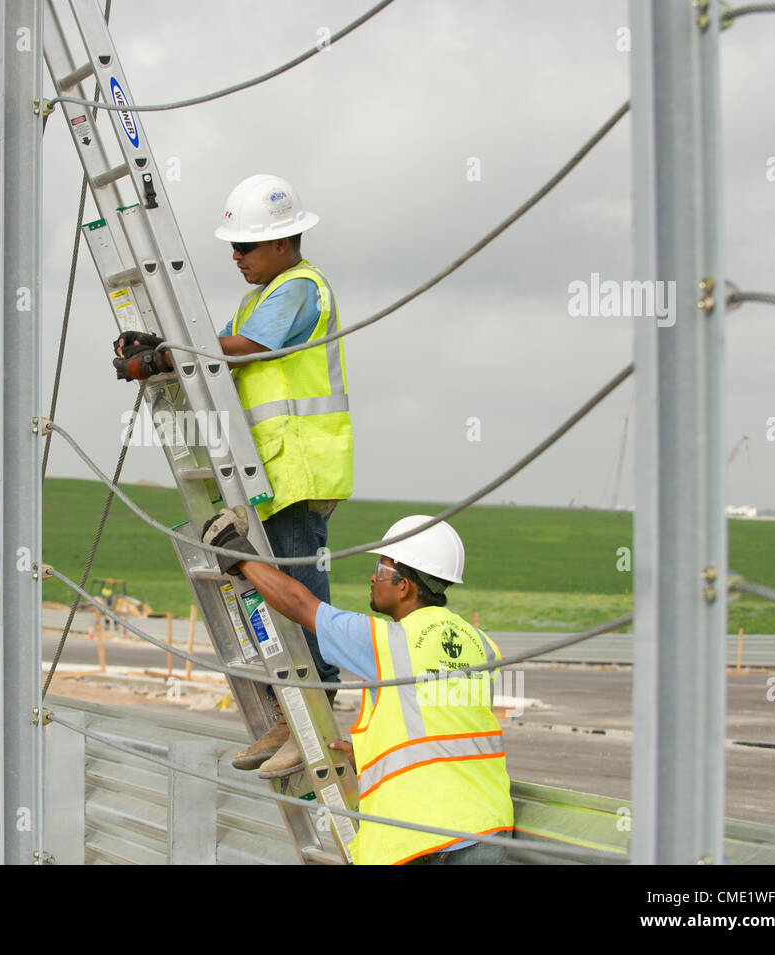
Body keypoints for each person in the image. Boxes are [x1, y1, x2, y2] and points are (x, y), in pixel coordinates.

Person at [113, 174, 353, 778]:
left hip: (296, 468)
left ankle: (317, 716)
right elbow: (217, 348)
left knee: (300, 594)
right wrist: (165, 347)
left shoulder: (298, 289)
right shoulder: (263, 294)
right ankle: (287, 714)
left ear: (281, 242)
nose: (236, 257)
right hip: (266, 470)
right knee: (267, 594)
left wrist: (166, 355)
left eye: (245, 247)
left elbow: (236, 348)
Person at [202, 510, 513, 865]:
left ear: (404, 585)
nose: (372, 576)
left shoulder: (385, 640)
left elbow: (301, 604)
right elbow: (444, 722)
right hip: (489, 826)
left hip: (427, 835)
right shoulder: (481, 644)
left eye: (380, 569)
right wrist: (369, 752)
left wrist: (235, 552)